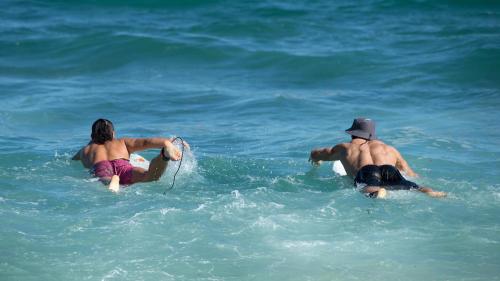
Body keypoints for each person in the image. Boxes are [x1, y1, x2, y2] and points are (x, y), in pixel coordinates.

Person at [309, 118, 446, 198]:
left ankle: (377, 193)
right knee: (411, 186)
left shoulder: (345, 147)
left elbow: (318, 153)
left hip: (367, 171)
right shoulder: (389, 149)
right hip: (390, 170)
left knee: (367, 188)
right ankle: (430, 192)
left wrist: (316, 159)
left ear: (352, 133)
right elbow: (410, 173)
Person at [72, 118, 189, 192]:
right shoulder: (122, 142)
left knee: (104, 180)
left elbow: (73, 160)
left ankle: (112, 180)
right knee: (149, 176)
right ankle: (164, 155)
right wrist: (167, 141)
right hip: (122, 166)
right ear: (113, 134)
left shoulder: (86, 150)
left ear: (92, 136)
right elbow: (146, 142)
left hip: (101, 167)